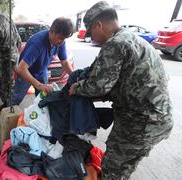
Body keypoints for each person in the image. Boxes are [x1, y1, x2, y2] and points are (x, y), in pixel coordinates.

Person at [68, 1, 173, 179]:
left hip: (141, 122)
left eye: (91, 32)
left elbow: (98, 86)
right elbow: (122, 83)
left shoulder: (115, 44)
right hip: (155, 119)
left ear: (98, 25)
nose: (91, 38)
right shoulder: (132, 39)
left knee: (111, 169)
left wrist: (76, 88)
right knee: (124, 167)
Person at [11, 17, 74, 105]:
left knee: (43, 97)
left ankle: (39, 114)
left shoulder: (60, 42)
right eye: (60, 38)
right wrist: (39, 85)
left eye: (64, 39)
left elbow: (65, 62)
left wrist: (74, 76)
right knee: (16, 99)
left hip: (41, 70)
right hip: (26, 72)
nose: (62, 41)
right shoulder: (37, 43)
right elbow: (21, 69)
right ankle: (8, 113)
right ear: (51, 32)